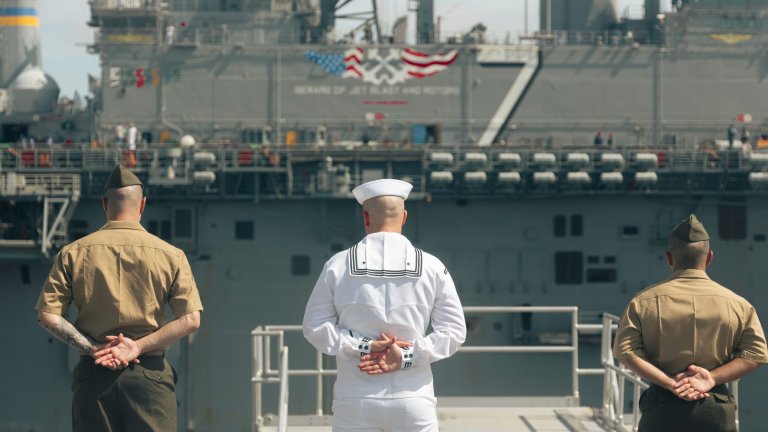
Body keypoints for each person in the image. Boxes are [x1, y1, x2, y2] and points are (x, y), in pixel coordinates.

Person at [35, 164, 203, 432]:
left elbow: (48, 316)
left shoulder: (72, 253)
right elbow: (191, 319)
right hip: (149, 375)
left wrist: (94, 349)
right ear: (143, 204)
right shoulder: (172, 255)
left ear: (104, 203)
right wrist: (136, 347)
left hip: (94, 374)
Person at [303, 179, 466, 432]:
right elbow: (454, 332)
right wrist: (406, 357)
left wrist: (364, 346)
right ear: (404, 217)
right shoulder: (433, 267)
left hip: (355, 399)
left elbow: (314, 326)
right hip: (414, 399)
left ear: (366, 217)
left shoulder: (337, 265)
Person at [613, 214, 768, 432]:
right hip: (715, 409)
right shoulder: (739, 304)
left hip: (662, 408)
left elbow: (625, 353)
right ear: (709, 257)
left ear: (669, 257)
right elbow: (756, 354)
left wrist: (672, 383)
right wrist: (710, 378)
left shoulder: (642, 302)